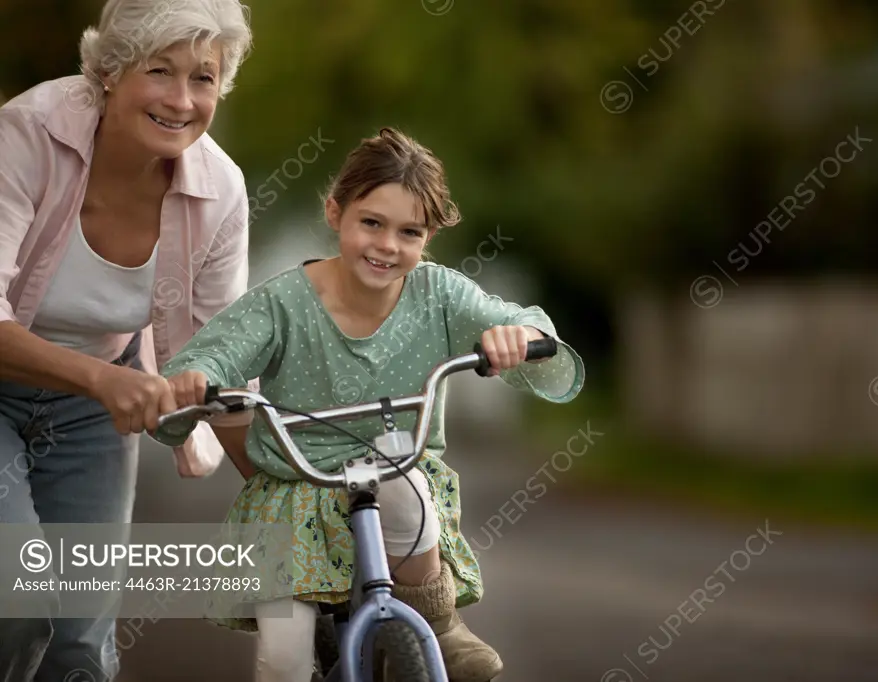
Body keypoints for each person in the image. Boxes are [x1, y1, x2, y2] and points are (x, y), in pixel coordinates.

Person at [153, 127, 585, 682]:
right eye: (371, 223)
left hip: (396, 469)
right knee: (282, 660)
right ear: (336, 213)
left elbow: (527, 322)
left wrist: (517, 337)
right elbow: (213, 356)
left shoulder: (440, 293)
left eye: (410, 232)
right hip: (294, 494)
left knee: (405, 487)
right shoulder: (284, 302)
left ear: (429, 237)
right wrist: (196, 379)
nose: (387, 245)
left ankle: (438, 620)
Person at [0, 1, 255, 679]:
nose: (181, 99)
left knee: (81, 644)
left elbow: (221, 352)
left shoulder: (220, 190)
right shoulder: (27, 133)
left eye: (203, 77)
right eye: (160, 70)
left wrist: (278, 486)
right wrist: (105, 380)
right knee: (18, 603)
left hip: (93, 412)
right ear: (110, 71)